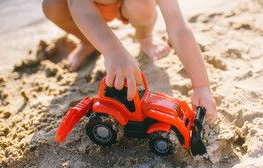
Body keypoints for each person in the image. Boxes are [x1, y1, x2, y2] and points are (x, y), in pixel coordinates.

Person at [42, 0, 217, 124]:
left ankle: (144, 36)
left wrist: (201, 85)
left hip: (132, 4)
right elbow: (78, 5)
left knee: (141, 6)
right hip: (84, 9)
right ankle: (88, 41)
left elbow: (178, 27)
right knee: (52, 6)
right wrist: (112, 50)